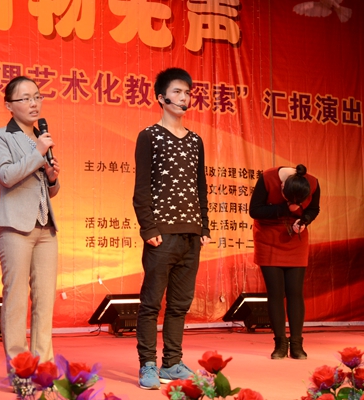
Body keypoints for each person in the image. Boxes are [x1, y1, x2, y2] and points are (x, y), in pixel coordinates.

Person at [132, 67, 211, 390]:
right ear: (161, 98)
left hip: (191, 234)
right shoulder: (149, 136)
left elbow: (200, 186)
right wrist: (148, 227)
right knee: (151, 303)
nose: (184, 97)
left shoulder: (195, 140)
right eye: (177, 92)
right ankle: (148, 365)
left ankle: (173, 363)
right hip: (161, 234)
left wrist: (204, 226)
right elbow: (141, 188)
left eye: (187, 92)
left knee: (180, 304)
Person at [0, 76, 61, 372]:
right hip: (15, 227)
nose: (34, 103)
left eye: (37, 97)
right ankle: (20, 369)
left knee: (45, 300)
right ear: (9, 105)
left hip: (46, 227)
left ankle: (44, 367)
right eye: (26, 98)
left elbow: (47, 189)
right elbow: (6, 176)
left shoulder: (40, 138)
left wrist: (53, 179)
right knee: (16, 299)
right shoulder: (0, 136)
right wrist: (37, 153)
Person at [249, 164, 320, 360]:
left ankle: (297, 343)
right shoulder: (268, 178)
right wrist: (284, 208)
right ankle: (280, 343)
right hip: (268, 237)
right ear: (282, 187)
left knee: (295, 292)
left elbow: (314, 209)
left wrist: (304, 220)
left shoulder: (312, 183)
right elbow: (254, 210)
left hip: (295, 238)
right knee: (276, 293)